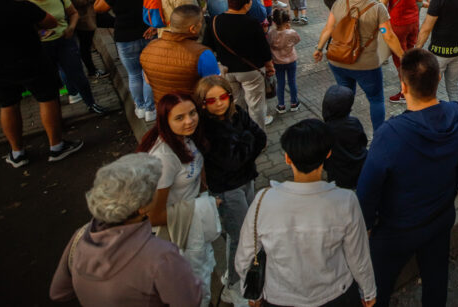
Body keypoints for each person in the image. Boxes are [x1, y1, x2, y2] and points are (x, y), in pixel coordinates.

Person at [357, 48, 458, 306]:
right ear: (439, 80)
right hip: (440, 218)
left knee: (378, 288)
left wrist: (365, 227)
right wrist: (448, 193)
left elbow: (367, 192)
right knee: (436, 280)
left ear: (404, 86)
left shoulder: (390, 134)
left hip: (396, 229)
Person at [235, 119, 377, 307]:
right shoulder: (345, 200)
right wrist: (368, 292)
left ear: (287, 158)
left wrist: (252, 294)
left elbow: (244, 258)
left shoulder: (263, 201)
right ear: (328, 154)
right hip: (336, 295)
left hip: (278, 297)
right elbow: (358, 258)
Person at [49, 153, 204, 306]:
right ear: (142, 207)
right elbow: (190, 301)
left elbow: (59, 292)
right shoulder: (162, 256)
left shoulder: (80, 237)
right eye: (155, 187)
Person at [0, 0, 84, 167]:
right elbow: (50, 22)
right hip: (31, 60)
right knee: (48, 99)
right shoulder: (22, 7)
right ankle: (56, 146)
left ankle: (17, 152)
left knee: (7, 105)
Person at [194, 75, 266, 306]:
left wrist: (243, 145)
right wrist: (246, 138)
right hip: (227, 189)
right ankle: (233, 286)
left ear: (230, 96)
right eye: (210, 100)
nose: (218, 104)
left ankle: (233, 276)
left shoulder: (237, 113)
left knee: (244, 232)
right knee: (240, 236)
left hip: (246, 181)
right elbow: (235, 158)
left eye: (222, 97)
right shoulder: (208, 129)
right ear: (202, 103)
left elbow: (262, 138)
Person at [136, 93, 214, 299]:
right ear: (165, 121)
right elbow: (154, 216)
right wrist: (202, 208)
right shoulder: (164, 157)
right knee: (192, 289)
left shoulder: (185, 138)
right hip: (178, 237)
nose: (189, 121)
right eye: (179, 118)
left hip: (191, 227)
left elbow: (197, 166)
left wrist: (204, 195)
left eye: (192, 113)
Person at [315, 0, 405, 131]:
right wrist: (402, 56)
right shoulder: (378, 8)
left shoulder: (340, 1)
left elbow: (328, 28)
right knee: (376, 99)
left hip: (338, 60)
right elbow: (388, 35)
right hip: (366, 65)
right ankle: (379, 135)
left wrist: (319, 48)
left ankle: (343, 133)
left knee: (345, 98)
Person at [28, 0, 105, 112]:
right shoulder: (27, 4)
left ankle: (91, 103)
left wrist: (71, 27)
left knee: (77, 73)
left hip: (65, 41)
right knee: (50, 81)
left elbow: (73, 13)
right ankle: (56, 114)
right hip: (42, 47)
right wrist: (41, 32)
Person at [203, 0, 275, 127]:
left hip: (227, 70)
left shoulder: (215, 21)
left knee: (236, 105)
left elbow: (207, 47)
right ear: (247, 3)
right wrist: (269, 66)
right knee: (256, 106)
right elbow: (264, 49)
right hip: (251, 70)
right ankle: (259, 137)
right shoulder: (252, 23)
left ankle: (241, 133)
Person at [94, 0, 155, 121]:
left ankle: (140, 106)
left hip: (125, 38)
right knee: (148, 74)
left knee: (134, 75)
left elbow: (98, 8)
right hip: (147, 33)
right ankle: (150, 109)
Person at [141, 4, 220, 100]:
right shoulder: (202, 54)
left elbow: (148, 80)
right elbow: (215, 89)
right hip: (192, 110)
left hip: (163, 110)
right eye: (201, 23)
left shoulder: (150, 48)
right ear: (193, 29)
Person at [382, 0, 426, 103]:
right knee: (411, 54)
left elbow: (382, 5)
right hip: (413, 22)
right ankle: (415, 82)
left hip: (397, 24)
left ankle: (405, 91)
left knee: (401, 59)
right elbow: (419, 1)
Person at [63, 0, 106, 79]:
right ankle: (92, 71)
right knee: (85, 47)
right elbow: (77, 2)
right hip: (83, 20)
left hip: (91, 16)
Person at [322, 84, 369, 190]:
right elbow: (363, 141)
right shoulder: (353, 122)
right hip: (359, 166)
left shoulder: (324, 129)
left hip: (337, 173)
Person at [268, 8, 301, 113]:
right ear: (287, 22)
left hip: (277, 62)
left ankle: (281, 105)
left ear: (274, 21)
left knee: (280, 83)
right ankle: (294, 103)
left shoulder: (271, 33)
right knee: (292, 81)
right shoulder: (291, 32)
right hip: (291, 60)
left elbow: (268, 44)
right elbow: (297, 40)